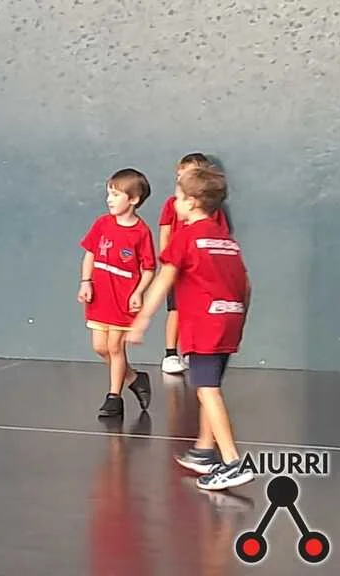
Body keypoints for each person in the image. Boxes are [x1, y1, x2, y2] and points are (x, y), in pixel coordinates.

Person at [128, 164, 252, 490]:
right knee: (209, 387)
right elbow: (246, 285)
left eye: (178, 197)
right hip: (230, 320)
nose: (175, 203)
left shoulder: (186, 237)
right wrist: (239, 318)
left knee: (207, 390)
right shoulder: (226, 241)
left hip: (205, 325)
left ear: (192, 202)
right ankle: (205, 450)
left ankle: (233, 462)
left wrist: (142, 320)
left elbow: (163, 280)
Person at [77, 168, 155, 418]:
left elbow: (149, 269)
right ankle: (133, 378)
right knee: (100, 347)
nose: (109, 199)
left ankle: (114, 397)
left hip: (122, 298)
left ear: (133, 199)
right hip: (100, 296)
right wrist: (86, 282)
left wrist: (138, 292)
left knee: (115, 347)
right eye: (108, 194)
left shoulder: (141, 232)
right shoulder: (102, 224)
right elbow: (90, 254)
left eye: (116, 194)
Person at [158, 153, 227, 374]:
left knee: (197, 311)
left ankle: (193, 351)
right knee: (176, 309)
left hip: (201, 271)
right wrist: (167, 262)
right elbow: (165, 232)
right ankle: (170, 354)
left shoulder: (214, 213)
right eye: (179, 175)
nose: (181, 180)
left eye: (188, 175)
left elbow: (220, 238)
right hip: (179, 267)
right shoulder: (172, 205)